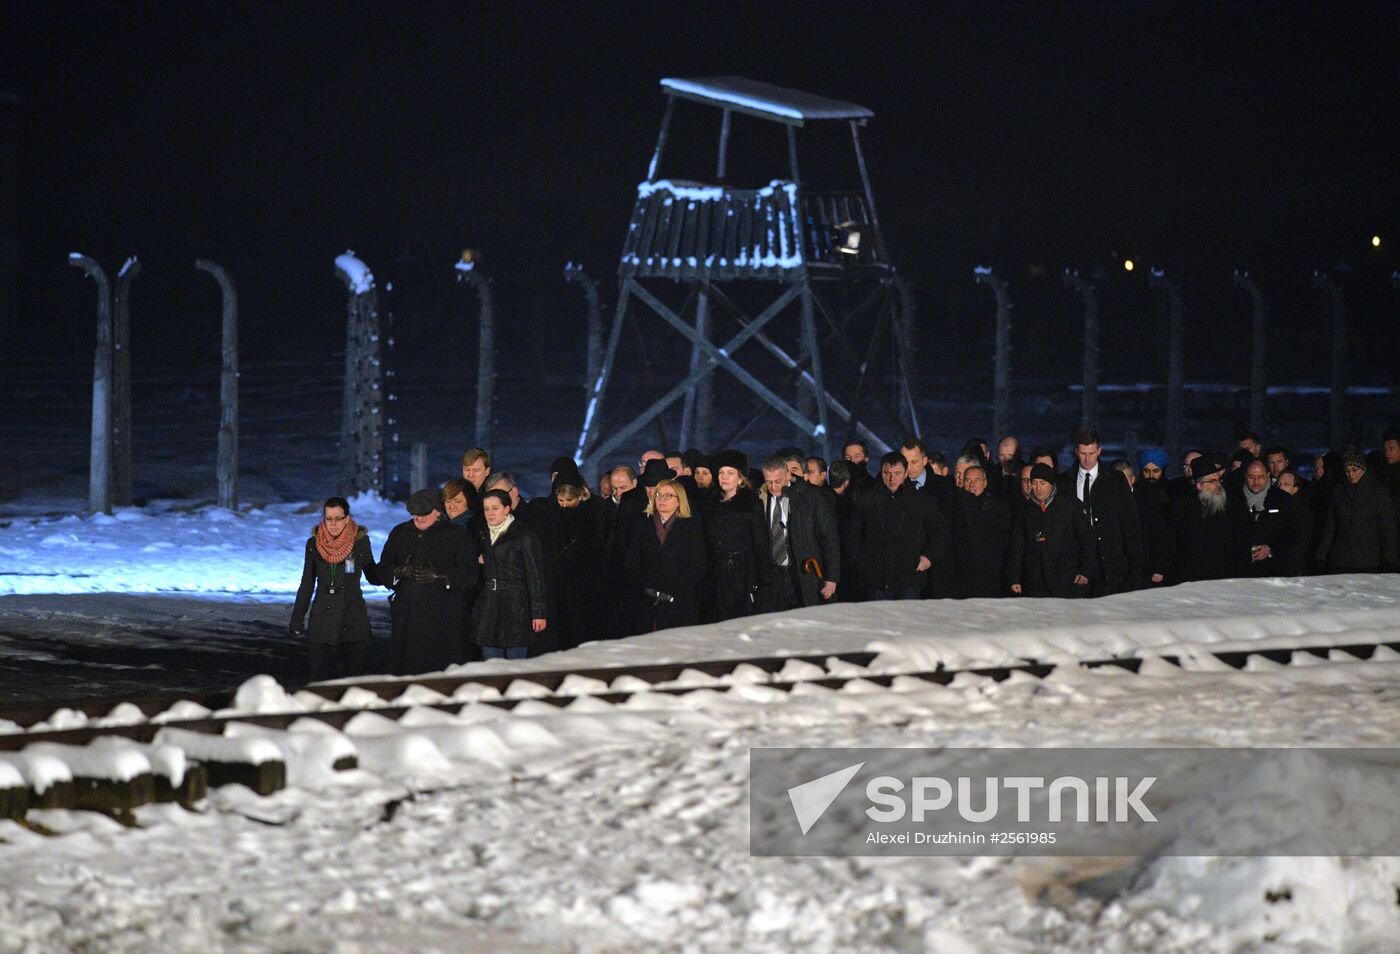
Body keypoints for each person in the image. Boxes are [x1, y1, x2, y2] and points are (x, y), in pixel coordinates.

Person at [378, 489, 478, 675]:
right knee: (407, 668)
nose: (418, 519)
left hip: (443, 617)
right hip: (407, 617)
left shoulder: (455, 535)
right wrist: (399, 572)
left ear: (437, 512)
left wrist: (441, 577)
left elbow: (470, 575)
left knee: (439, 668)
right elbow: (382, 571)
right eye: (414, 515)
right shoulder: (400, 533)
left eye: (424, 514)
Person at [289, 496, 381, 681]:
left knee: (353, 678)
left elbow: (372, 573)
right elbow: (307, 582)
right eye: (328, 518)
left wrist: (396, 574)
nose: (333, 524)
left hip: (352, 617)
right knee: (318, 678)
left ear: (347, 518)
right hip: (323, 617)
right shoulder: (314, 544)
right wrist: (297, 619)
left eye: (338, 518)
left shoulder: (360, 542)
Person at [847, 452, 947, 600]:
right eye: (887, 473)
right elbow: (853, 535)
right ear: (881, 473)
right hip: (874, 579)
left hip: (909, 578)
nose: (892, 478)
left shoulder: (920, 501)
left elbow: (940, 531)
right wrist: (859, 565)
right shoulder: (866, 500)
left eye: (897, 473)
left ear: (906, 473)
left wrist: (928, 558)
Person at [1058, 429, 1144, 594]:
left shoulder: (1115, 480)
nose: (1087, 458)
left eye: (1091, 453)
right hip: (1077, 560)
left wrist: (1136, 566)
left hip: (1111, 560)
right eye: (1083, 453)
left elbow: (1130, 522)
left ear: (1099, 451)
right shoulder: (1064, 482)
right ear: (1076, 452)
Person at [471, 489, 549, 659]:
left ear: (507, 509)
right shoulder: (482, 534)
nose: (490, 513)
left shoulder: (524, 536)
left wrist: (538, 612)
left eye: (495, 508)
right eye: (486, 509)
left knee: (516, 662)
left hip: (516, 605)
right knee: (491, 663)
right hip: (489, 604)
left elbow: (535, 575)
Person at [759, 454, 841, 610]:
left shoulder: (811, 497)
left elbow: (829, 539)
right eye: (769, 482)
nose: (774, 487)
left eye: (778, 481)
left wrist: (831, 579)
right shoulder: (760, 499)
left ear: (788, 475)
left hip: (803, 575)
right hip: (773, 578)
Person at [625, 478, 707, 633]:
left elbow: (698, 565)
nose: (661, 499)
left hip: (679, 601)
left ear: (679, 500)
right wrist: (648, 586)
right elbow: (632, 562)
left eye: (668, 495)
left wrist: (673, 588)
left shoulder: (690, 528)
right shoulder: (642, 526)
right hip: (647, 601)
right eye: (658, 495)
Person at [1006, 463, 1094, 598]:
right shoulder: (1024, 511)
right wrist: (1014, 578)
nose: (1038, 488)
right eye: (1034, 483)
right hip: (1035, 583)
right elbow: (1017, 547)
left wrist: (1085, 571)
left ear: (1051, 484)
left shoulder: (1070, 506)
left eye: (1042, 483)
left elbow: (1086, 540)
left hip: (1067, 581)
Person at [704, 450, 771, 621]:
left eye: (730, 473)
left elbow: (760, 544)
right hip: (716, 574)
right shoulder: (711, 503)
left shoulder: (751, 504)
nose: (724, 477)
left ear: (740, 478)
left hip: (743, 574)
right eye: (721, 473)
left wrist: (763, 582)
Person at [1315, 449, 1398, 574]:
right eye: (1347, 471)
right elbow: (1330, 526)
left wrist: (1390, 559)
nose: (1351, 475)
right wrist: (1321, 556)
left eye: (1355, 470)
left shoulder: (1378, 492)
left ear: (1364, 469)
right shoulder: (1339, 491)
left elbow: (1387, 528)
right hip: (1339, 560)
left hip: (1368, 561)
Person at [1164, 454, 1238, 584]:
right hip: (1191, 576)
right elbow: (1172, 542)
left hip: (1223, 575)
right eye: (1212, 481)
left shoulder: (1229, 505)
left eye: (1218, 480)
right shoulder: (1181, 508)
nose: (1218, 485)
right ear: (1199, 485)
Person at [1235, 458, 1298, 578]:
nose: (1256, 482)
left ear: (1268, 475)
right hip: (1240, 569)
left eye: (1261, 477)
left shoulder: (1282, 499)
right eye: (1251, 477)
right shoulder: (1234, 499)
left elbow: (1292, 532)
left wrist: (1271, 549)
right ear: (1245, 476)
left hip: (1273, 570)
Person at [958, 465, 1011, 598]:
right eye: (968, 481)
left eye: (976, 480)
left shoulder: (999, 508)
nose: (972, 485)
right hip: (964, 573)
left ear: (985, 483)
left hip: (991, 573)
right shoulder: (956, 508)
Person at [1135, 448, 1172, 585]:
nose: (1151, 475)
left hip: (1164, 564)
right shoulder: (1135, 492)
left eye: (1156, 471)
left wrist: (1161, 567)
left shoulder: (1171, 493)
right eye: (1146, 471)